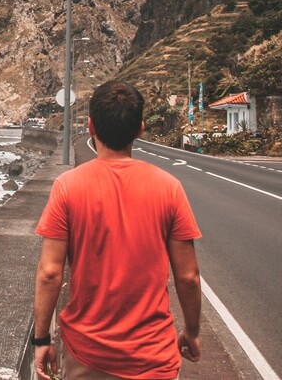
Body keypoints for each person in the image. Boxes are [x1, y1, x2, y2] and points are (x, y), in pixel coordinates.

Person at [32, 80, 202, 380]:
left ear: (90, 126)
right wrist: (191, 331)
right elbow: (187, 277)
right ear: (140, 129)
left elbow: (49, 273)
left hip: (87, 354)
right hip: (154, 356)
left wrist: (42, 340)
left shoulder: (67, 187)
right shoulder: (169, 188)